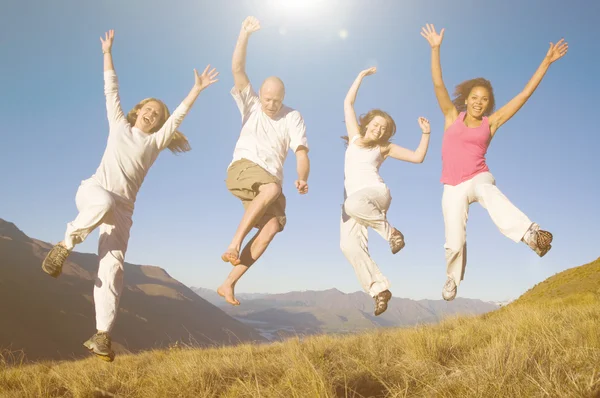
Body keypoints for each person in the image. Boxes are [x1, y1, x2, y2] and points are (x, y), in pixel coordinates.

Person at [41, 29, 219, 361]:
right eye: (148, 109)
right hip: (94, 193)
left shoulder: (154, 144)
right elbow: (111, 90)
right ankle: (64, 247)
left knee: (113, 267)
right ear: (137, 112)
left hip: (122, 211)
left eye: (157, 114)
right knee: (103, 202)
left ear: (158, 124)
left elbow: (178, 115)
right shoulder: (119, 126)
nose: (151, 114)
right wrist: (107, 52)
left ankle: (102, 335)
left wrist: (195, 90)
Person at [420, 23, 568, 301]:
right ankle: (452, 279)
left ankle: (531, 235)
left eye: (484, 100)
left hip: (478, 177)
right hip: (452, 186)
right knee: (454, 242)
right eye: (474, 98)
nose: (479, 102)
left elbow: (523, 95)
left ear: (489, 104)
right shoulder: (452, 116)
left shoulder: (492, 123)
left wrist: (546, 62)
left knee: (488, 192)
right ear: (466, 100)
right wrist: (435, 49)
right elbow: (438, 83)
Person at [218, 16, 310, 306]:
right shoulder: (252, 104)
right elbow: (237, 68)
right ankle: (233, 244)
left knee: (273, 227)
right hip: (242, 169)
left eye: (276, 100)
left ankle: (228, 284)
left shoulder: (293, 116)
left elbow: (301, 151)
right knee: (271, 189)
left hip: (268, 181)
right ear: (261, 94)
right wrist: (244, 33)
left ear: (283, 97)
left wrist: (303, 177)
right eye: (267, 99)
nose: (270, 105)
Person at [340, 67, 431, 315]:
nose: (379, 130)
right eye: (376, 125)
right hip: (353, 203)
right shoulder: (355, 138)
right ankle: (379, 289)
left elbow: (417, 157)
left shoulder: (384, 148)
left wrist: (426, 134)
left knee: (353, 204)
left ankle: (392, 233)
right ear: (367, 123)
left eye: (384, 128)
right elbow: (348, 103)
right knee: (349, 246)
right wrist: (359, 77)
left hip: (375, 194)